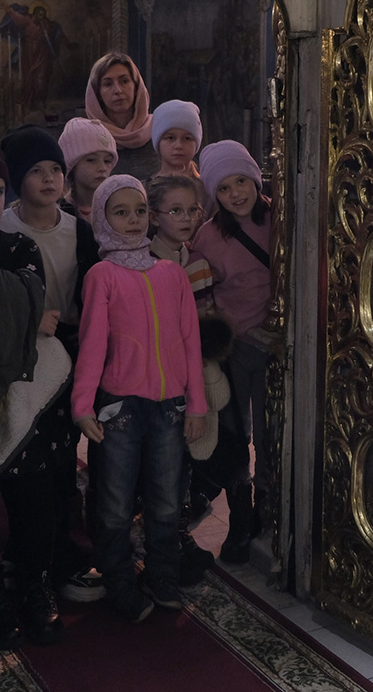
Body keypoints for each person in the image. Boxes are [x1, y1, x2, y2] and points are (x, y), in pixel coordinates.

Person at [72, 175, 208, 623]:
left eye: (138, 211)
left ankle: (162, 575)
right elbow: (93, 344)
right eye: (120, 212)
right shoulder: (102, 276)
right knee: (114, 503)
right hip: (120, 409)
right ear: (102, 218)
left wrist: (197, 403)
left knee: (166, 500)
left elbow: (190, 342)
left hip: (169, 407)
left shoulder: (171, 274)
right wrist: (83, 405)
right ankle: (119, 582)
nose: (132, 220)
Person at [0, 136, 70, 648]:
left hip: (24, 397)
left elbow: (28, 302)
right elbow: (23, 314)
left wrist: (2, 310)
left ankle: (35, 585)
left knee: (33, 500)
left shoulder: (18, 246)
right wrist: (24, 315)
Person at [0, 124, 103, 604]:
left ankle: (60, 546)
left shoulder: (77, 229)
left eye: (55, 170)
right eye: (36, 170)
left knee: (62, 451)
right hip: (21, 351)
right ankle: (24, 553)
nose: (48, 179)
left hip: (69, 346)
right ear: (18, 178)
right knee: (24, 450)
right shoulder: (1, 228)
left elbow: (92, 289)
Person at [190, 141, 275, 564]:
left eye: (242, 181)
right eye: (223, 188)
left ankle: (270, 508)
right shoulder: (208, 237)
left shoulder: (280, 218)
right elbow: (205, 300)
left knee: (272, 431)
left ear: (255, 179)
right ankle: (241, 517)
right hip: (238, 346)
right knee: (237, 433)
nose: (236, 193)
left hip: (278, 343)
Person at [147, 175, 220, 582]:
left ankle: (177, 533)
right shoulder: (142, 261)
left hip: (188, 378)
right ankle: (158, 539)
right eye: (175, 210)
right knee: (157, 464)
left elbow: (205, 322)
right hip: (153, 377)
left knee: (183, 462)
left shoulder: (197, 263)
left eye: (192, 210)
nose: (186, 218)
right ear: (154, 216)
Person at [84, 52, 159, 180]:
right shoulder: (86, 137)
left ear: (136, 87)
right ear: (98, 93)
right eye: (108, 84)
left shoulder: (159, 130)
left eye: (124, 81)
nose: (118, 90)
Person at [58, 116, 118, 225]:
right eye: (91, 160)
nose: (102, 168)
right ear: (72, 165)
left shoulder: (118, 207)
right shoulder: (58, 213)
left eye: (107, 161)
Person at [150, 100, 207, 207]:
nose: (179, 145)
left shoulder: (208, 190)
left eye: (187, 138)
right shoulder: (143, 190)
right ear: (158, 141)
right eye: (170, 138)